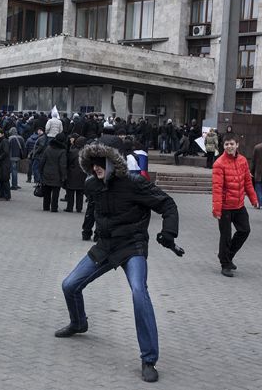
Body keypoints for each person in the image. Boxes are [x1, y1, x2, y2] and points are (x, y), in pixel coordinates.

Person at [55, 140, 182, 383]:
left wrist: (169, 233)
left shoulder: (134, 183)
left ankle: (149, 359)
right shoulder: (92, 184)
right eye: (92, 165)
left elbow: (167, 204)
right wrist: (86, 230)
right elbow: (94, 210)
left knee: (138, 293)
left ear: (112, 163)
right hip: (105, 247)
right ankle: (78, 323)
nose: (95, 169)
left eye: (99, 164)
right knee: (69, 285)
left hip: (132, 246)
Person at [212, 133, 258, 277]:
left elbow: (247, 182)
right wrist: (217, 209)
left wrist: (253, 198)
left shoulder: (243, 161)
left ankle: (226, 256)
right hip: (225, 207)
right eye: (226, 144)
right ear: (223, 146)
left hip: (239, 205)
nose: (229, 146)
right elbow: (217, 188)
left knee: (245, 230)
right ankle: (225, 264)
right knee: (225, 236)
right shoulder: (219, 164)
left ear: (237, 145)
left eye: (232, 144)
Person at [39, 132, 67, 212]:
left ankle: (46, 206)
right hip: (57, 174)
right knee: (55, 192)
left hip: (46, 172)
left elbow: (42, 160)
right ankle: (54, 207)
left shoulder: (48, 148)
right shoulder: (62, 151)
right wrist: (64, 176)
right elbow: (63, 165)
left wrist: (41, 170)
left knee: (47, 190)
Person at [64, 136, 87, 213]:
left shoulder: (73, 152)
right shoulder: (86, 153)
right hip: (82, 174)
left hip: (72, 173)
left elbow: (68, 162)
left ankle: (69, 207)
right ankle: (79, 208)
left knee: (70, 191)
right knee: (80, 192)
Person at [0, 127, 11, 201]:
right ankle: (1, 195)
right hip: (1, 163)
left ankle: (7, 195)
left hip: (4, 164)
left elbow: (5, 152)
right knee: (1, 180)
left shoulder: (4, 141)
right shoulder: (1, 141)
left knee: (4, 180)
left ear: (2, 134)